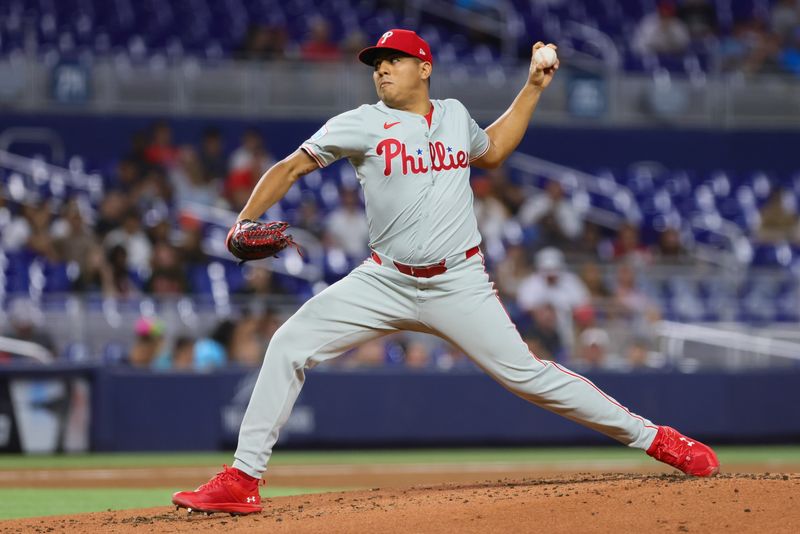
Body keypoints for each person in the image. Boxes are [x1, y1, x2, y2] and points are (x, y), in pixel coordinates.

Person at [173, 29, 719, 516]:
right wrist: (244, 219)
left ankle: (658, 440)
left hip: (458, 281)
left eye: (394, 59)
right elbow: (291, 166)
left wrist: (532, 86)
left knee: (530, 377)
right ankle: (243, 478)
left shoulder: (455, 116)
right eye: (376, 62)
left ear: (424, 67)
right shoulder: (362, 123)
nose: (382, 68)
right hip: (383, 280)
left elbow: (496, 149)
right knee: (290, 342)